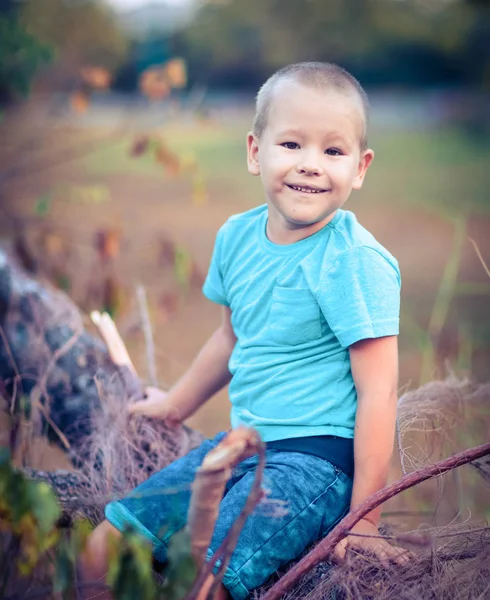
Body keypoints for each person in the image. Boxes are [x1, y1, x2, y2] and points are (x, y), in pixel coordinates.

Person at [81, 61, 410, 599]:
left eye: (333, 151)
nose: (310, 165)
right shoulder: (236, 237)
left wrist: (366, 519)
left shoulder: (354, 262)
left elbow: (380, 391)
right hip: (241, 445)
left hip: (316, 459)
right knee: (102, 545)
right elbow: (231, 337)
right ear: (256, 152)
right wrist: (175, 406)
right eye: (291, 144)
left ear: (361, 167)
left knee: (203, 580)